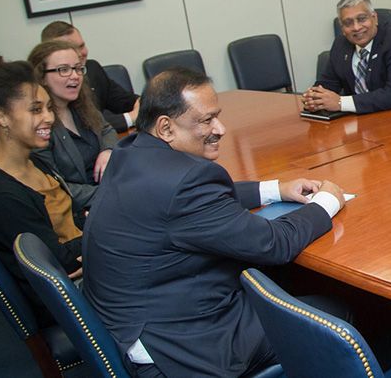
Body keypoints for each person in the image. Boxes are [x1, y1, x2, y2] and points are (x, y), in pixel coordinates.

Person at [82, 67, 346, 377]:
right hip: (181, 343)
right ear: (166, 128)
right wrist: (327, 201)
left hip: (135, 320)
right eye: (207, 120)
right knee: (336, 315)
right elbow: (274, 244)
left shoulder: (131, 152)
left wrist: (275, 189)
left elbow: (183, 199)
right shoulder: (187, 181)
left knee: (278, 283)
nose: (220, 129)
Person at [0, 55, 85, 328]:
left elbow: (75, 216)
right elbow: (61, 264)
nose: (49, 118)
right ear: (0, 117)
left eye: (48, 108)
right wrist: (104, 228)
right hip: (68, 301)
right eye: (35, 110)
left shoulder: (35, 160)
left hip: (88, 266)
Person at [28, 40, 116, 216]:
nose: (75, 76)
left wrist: (107, 150)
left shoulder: (80, 106)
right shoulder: (38, 126)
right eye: (63, 69)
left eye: (77, 68)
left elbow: (107, 130)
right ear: (42, 77)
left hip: (112, 191)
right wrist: (111, 194)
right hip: (85, 209)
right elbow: (56, 187)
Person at [41, 21, 140, 132]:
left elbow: (124, 100)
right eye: (64, 69)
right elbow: (84, 125)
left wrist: (143, 104)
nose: (79, 54)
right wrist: (131, 117)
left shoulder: (92, 68)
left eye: (81, 46)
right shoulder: (44, 96)